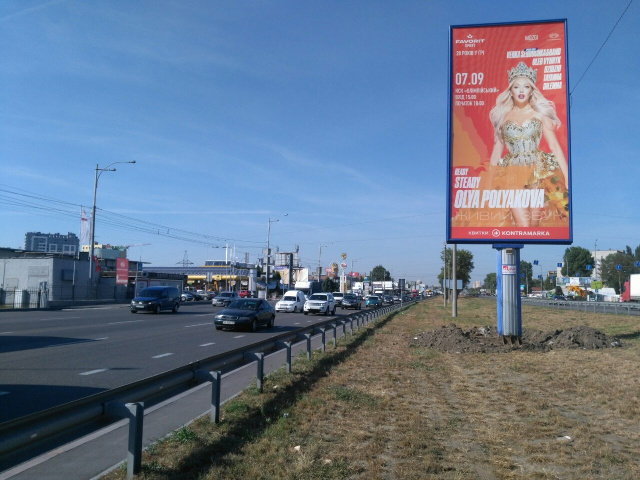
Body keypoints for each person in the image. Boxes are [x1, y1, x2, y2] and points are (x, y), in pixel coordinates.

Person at [487, 61, 569, 227]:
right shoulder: (503, 117)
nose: (521, 91)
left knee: (533, 226)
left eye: (526, 87)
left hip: (537, 172)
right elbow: (496, 154)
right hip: (512, 173)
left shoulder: (540, 114)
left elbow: (554, 146)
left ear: (532, 90)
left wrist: (567, 177)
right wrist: (488, 183)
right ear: (510, 91)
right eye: (516, 87)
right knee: (523, 226)